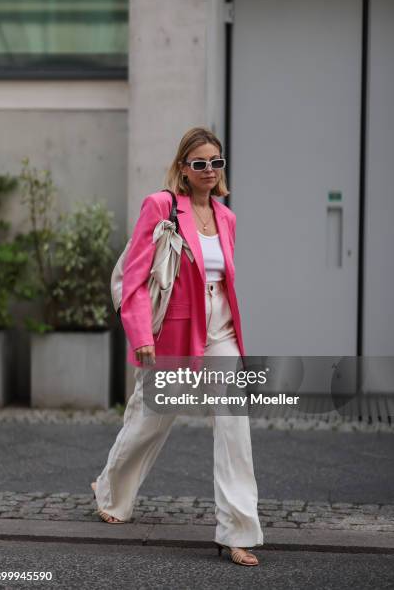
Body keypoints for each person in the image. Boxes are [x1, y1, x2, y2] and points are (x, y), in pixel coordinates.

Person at [91, 127, 263, 566]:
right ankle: (110, 491)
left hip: (221, 332)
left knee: (234, 429)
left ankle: (237, 531)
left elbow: (223, 281)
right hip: (174, 334)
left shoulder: (228, 218)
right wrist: (142, 337)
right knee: (149, 421)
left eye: (216, 162)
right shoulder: (161, 207)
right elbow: (134, 277)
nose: (209, 170)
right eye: (200, 163)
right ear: (183, 169)